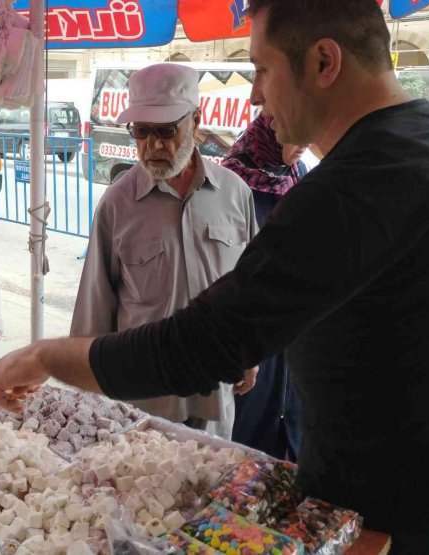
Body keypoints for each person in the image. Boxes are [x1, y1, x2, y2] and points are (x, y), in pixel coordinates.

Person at [0, 0, 429, 550]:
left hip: (384, 511)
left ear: (323, 62)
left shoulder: (349, 189)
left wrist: (45, 356)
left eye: (262, 69)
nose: (254, 96)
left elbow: (196, 346)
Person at [70, 63, 259, 438]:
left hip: (216, 393)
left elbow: (252, 289)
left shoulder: (236, 194)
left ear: (196, 122)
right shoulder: (116, 205)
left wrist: (251, 354)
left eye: (167, 130)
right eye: (141, 131)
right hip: (145, 404)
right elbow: (94, 312)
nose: (153, 145)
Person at [222, 113, 308, 460]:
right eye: (296, 136)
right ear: (271, 133)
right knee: (249, 424)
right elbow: (228, 271)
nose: (303, 146)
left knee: (290, 422)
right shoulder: (231, 183)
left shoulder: (298, 176)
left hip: (292, 325)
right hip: (253, 329)